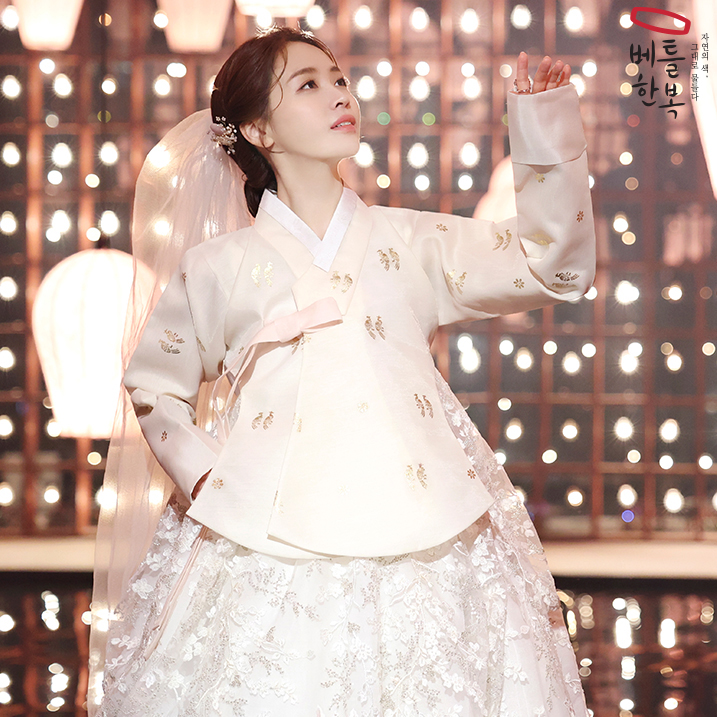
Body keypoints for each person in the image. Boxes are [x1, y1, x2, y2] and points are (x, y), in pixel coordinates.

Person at [90, 26, 595, 717]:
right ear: (257, 130)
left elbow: (550, 265)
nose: (339, 96)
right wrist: (203, 472)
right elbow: (153, 383)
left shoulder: (409, 240)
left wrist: (542, 126)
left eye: (339, 80)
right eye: (308, 84)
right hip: (260, 531)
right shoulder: (215, 267)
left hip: (427, 527)